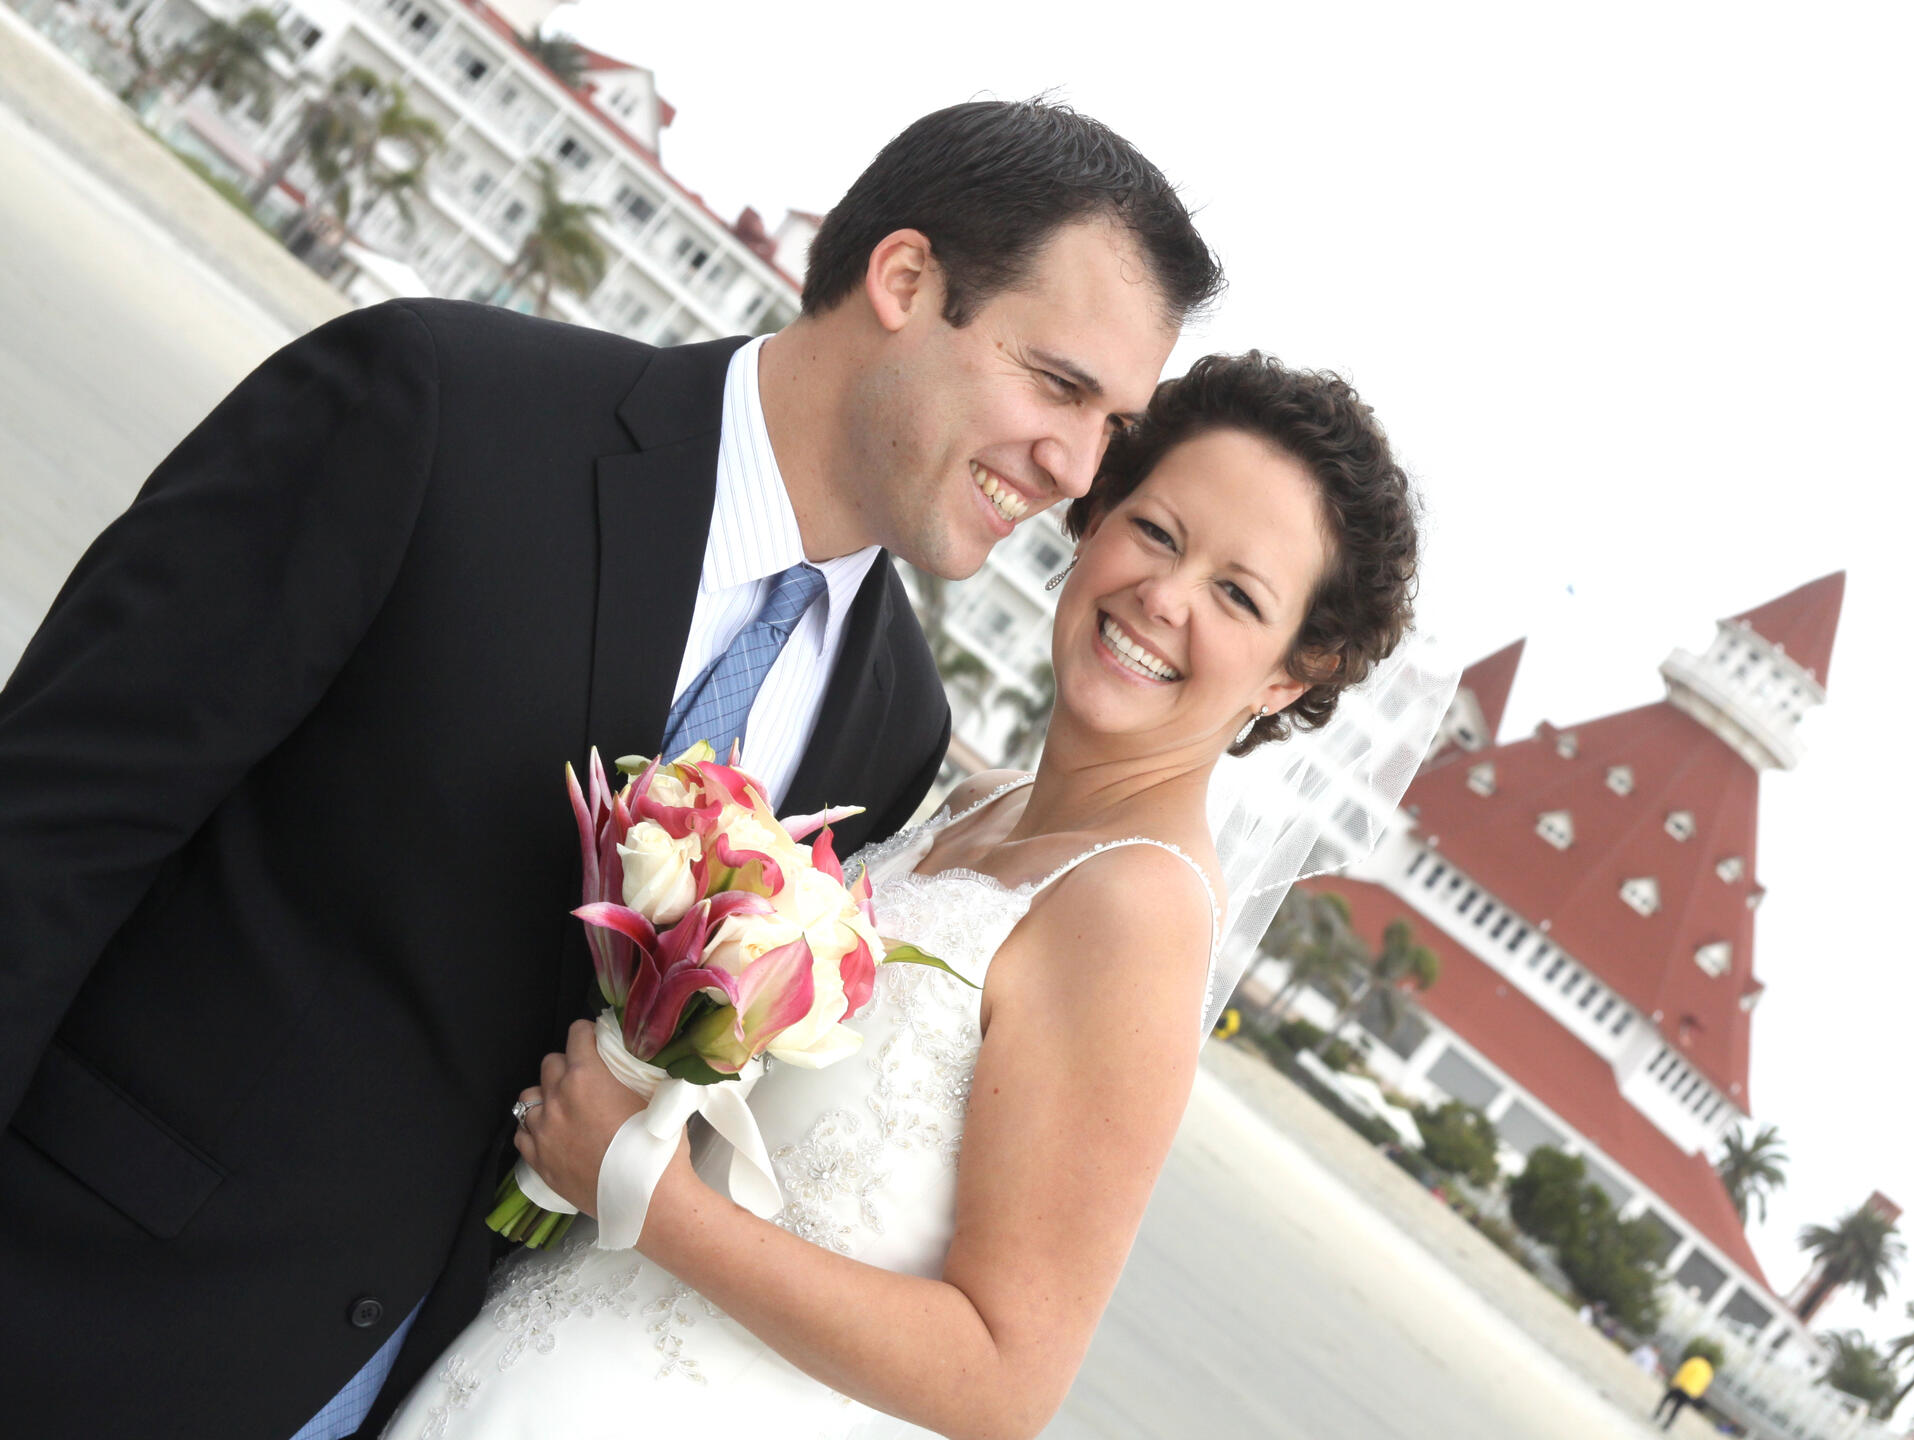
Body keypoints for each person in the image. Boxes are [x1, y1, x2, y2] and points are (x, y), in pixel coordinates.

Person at [0, 100, 1219, 1440]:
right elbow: (52, 827)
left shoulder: (894, 724)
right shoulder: (437, 411)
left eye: (1113, 424)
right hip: (78, 1314)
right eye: (1057, 385)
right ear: (906, 280)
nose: (1073, 469)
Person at [383, 351, 1427, 1438]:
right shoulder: (984, 800)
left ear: (1286, 675)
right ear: (1094, 517)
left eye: (1236, 594)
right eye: (1156, 531)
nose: (1164, 597)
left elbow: (1001, 1377)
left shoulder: (1135, 911)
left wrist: (644, 1195)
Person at [1655, 1351, 1717, 1429]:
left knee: (1666, 1399)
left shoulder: (1695, 1361)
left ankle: (1658, 1413)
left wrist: (1675, 1381)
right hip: (1690, 1392)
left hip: (1680, 1385)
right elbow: (1704, 1385)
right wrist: (1695, 1395)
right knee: (1677, 1409)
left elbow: (1683, 1370)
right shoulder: (1709, 1371)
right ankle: (1667, 1424)